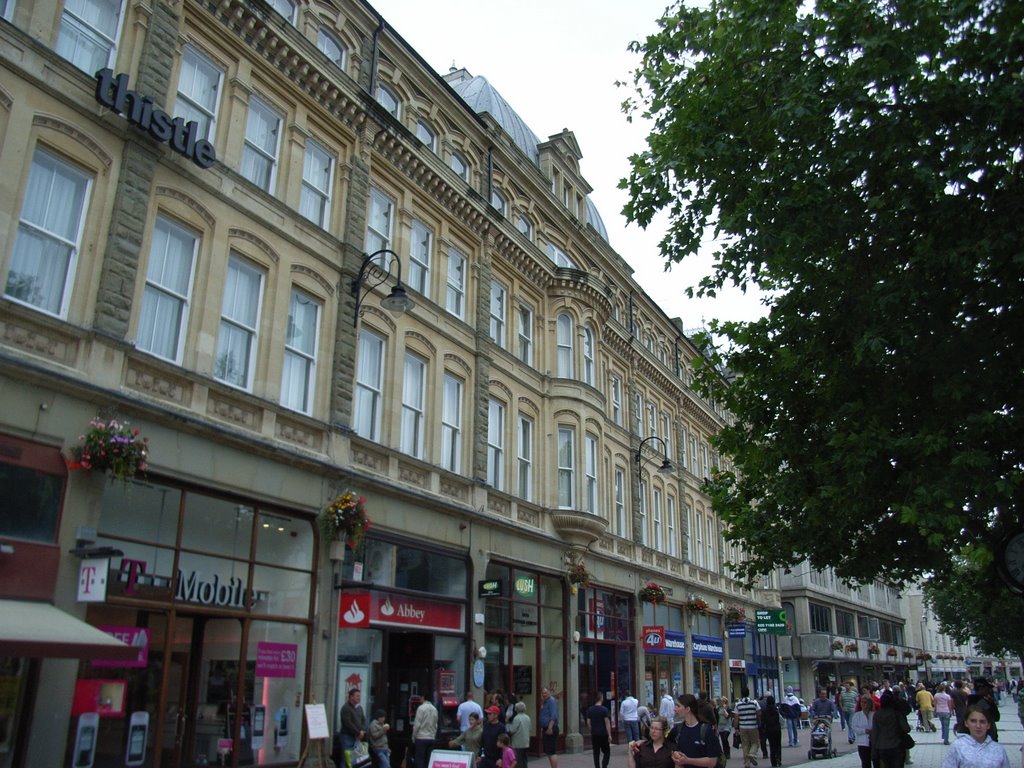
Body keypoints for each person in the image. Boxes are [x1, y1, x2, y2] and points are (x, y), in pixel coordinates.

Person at [941, 704, 1010, 768]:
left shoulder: (998, 749)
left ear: (988, 725)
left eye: (982, 722)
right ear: (966, 723)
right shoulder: (957, 746)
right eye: (973, 721)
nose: (978, 726)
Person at [669, 694, 723, 767]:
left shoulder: (706, 730)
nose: (675, 709)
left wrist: (687, 760)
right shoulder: (678, 729)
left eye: (678, 706)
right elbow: (668, 744)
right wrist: (674, 753)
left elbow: (712, 761)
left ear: (687, 709)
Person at [870, 691, 910, 768]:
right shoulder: (896, 713)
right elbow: (906, 729)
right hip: (897, 745)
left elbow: (875, 733)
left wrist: (874, 750)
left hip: (882, 747)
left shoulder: (877, 714)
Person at [733, 687, 761, 768]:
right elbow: (759, 713)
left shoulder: (738, 704)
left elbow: (736, 717)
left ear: (741, 694)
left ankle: (747, 763)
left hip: (743, 727)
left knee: (745, 745)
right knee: (755, 742)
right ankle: (752, 754)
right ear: (749, 693)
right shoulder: (754, 703)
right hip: (753, 726)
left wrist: (736, 728)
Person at [586, 691, 611, 768]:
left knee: (596, 752)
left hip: (595, 734)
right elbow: (607, 723)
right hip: (603, 733)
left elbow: (588, 722)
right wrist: (609, 735)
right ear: (601, 698)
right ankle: (604, 765)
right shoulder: (604, 709)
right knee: (607, 751)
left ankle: (597, 766)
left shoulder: (590, 709)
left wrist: (591, 730)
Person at [412, 695, 438, 768]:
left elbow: (417, 725)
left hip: (421, 737)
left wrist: (413, 737)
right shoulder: (434, 709)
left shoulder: (421, 708)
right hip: (431, 737)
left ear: (423, 698)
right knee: (428, 761)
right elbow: (436, 725)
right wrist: (433, 735)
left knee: (419, 760)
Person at [851, 694, 875, 768]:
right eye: (862, 702)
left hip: (874, 742)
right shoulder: (857, 715)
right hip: (863, 743)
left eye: (865, 702)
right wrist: (864, 731)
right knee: (865, 763)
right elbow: (854, 728)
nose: (863, 704)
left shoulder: (874, 715)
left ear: (870, 704)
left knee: (876, 761)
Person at [539, 687, 559, 768]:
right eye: (543, 693)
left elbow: (553, 716)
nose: (544, 694)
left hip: (550, 728)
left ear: (549, 693)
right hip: (546, 728)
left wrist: (550, 728)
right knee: (549, 752)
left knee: (552, 752)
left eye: (545, 692)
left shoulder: (551, 701)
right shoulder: (545, 702)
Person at [507, 701, 530, 768]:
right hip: (526, 742)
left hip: (518, 743)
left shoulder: (516, 718)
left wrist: (508, 732)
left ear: (516, 709)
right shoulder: (527, 717)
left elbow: (512, 730)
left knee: (519, 760)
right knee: (524, 760)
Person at [761, 696, 782, 767]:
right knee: (778, 745)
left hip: (769, 730)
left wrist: (763, 729)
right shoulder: (776, 709)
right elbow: (780, 719)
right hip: (777, 729)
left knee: (772, 746)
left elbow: (762, 722)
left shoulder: (764, 710)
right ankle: (778, 758)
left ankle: (773, 761)